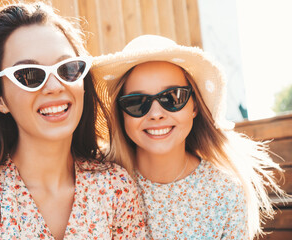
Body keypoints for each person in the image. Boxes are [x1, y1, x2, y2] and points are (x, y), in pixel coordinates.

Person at [0, 2, 146, 239]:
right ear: (0, 98)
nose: (55, 87)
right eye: (30, 75)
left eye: (68, 69)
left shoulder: (115, 188)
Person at [91, 35, 286, 239]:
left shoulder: (226, 193)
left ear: (194, 106)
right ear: (121, 114)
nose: (156, 113)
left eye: (173, 97)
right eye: (137, 102)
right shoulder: (100, 186)